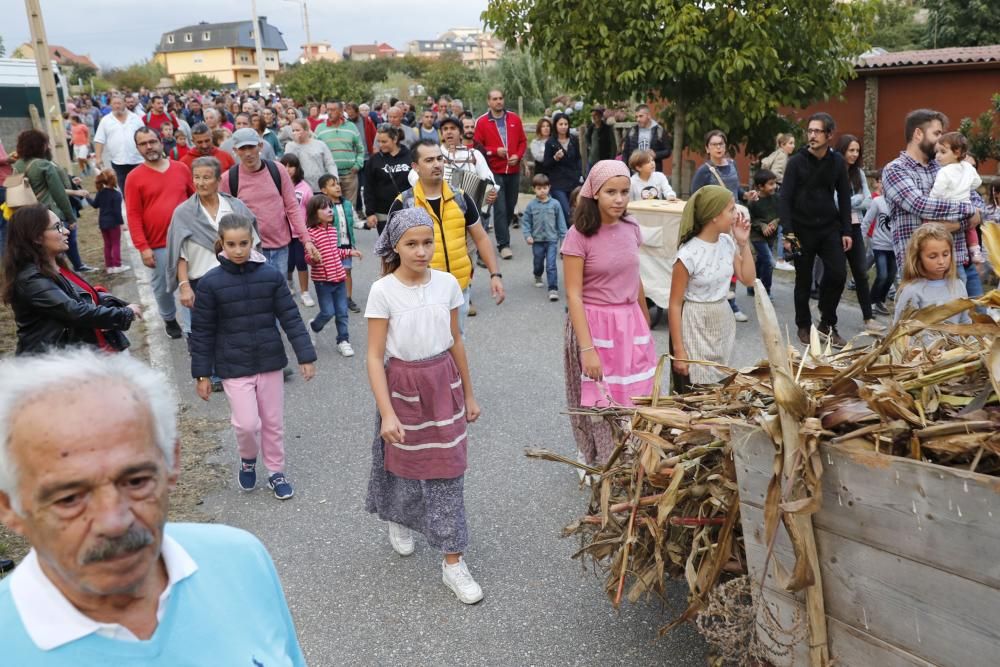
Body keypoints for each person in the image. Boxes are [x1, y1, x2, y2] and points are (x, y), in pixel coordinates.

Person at [0, 348, 308, 664]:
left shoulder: (240, 559)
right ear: (9, 507)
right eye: (69, 498)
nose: (114, 521)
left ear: (171, 464)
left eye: (135, 481)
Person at [364, 207, 484, 605]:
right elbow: (374, 355)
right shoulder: (383, 291)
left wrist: (468, 393)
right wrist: (387, 413)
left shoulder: (448, 283)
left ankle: (453, 562)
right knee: (403, 463)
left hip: (443, 381)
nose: (421, 250)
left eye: (427, 242)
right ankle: (399, 517)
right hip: (403, 385)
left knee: (448, 470)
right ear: (395, 247)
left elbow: (456, 340)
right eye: (411, 243)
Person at [190, 214, 316, 501]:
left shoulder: (270, 275)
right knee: (247, 424)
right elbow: (203, 331)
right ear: (221, 244)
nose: (238, 250)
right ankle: (248, 459)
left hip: (269, 361)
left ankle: (276, 472)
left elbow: (290, 317)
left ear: (253, 241)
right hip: (233, 366)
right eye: (231, 244)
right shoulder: (210, 283)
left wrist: (305, 355)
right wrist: (202, 374)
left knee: (272, 422)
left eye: (243, 243)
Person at [562, 160, 657, 467]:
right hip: (593, 324)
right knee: (599, 404)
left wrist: (645, 324)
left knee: (633, 397)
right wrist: (587, 349)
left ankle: (629, 461)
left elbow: (635, 278)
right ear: (594, 193)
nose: (619, 199)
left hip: (629, 323)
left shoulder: (631, 228)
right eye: (611, 192)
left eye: (625, 192)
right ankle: (599, 461)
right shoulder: (578, 235)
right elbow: (574, 294)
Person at [387, 140, 505, 334]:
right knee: (427, 347)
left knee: (456, 341)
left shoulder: (461, 198)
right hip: (420, 291)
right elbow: (389, 249)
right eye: (429, 160)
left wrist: (495, 275)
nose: (437, 164)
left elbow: (481, 238)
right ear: (415, 167)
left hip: (458, 288)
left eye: (440, 159)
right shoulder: (405, 203)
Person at [0, 205, 140, 355]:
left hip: (72, 354)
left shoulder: (55, 265)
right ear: (36, 237)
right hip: (50, 364)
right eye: (57, 227)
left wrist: (119, 305)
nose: (66, 231)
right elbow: (74, 311)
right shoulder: (31, 279)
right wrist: (123, 314)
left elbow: (82, 295)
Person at [883, 109, 982, 299]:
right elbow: (921, 205)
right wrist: (967, 215)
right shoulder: (895, 170)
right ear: (918, 134)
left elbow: (977, 202)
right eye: (937, 134)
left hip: (956, 264)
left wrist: (971, 214)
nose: (941, 142)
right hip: (918, 270)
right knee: (922, 328)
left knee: (963, 326)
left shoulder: (947, 166)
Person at [778, 113, 853, 347]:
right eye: (809, 131)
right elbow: (785, 199)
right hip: (801, 229)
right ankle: (803, 324)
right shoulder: (796, 162)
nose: (812, 135)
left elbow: (844, 197)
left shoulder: (838, 162)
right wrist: (788, 233)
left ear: (829, 135)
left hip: (829, 227)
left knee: (838, 274)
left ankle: (828, 323)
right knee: (804, 279)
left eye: (817, 131)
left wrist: (847, 231)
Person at [669, 185, 755, 386]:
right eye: (731, 209)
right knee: (698, 387)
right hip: (695, 323)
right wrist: (679, 351)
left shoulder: (727, 242)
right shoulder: (688, 255)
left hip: (722, 318)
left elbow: (748, 279)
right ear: (714, 215)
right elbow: (674, 304)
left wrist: (744, 243)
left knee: (721, 384)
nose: (736, 214)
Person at [167, 156, 260, 334]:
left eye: (206, 178)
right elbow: (180, 254)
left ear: (218, 180)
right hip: (201, 285)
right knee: (205, 334)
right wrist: (184, 287)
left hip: (237, 280)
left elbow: (252, 245)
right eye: (197, 177)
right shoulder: (183, 213)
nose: (200, 183)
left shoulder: (235, 207)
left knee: (239, 331)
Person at [125, 127, 195, 339]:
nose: (149, 146)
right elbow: (133, 215)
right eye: (144, 143)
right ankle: (169, 318)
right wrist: (143, 247)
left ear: (161, 142)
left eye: (152, 141)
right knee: (163, 287)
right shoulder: (133, 178)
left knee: (190, 282)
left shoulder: (181, 168)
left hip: (188, 239)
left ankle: (193, 328)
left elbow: (196, 200)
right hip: (157, 243)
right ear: (138, 148)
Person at [220, 127, 316, 277]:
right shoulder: (229, 178)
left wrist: (306, 240)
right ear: (235, 150)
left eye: (251, 147)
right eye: (242, 148)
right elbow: (224, 217)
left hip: (280, 248)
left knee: (278, 293)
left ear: (260, 146)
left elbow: (292, 207)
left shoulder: (277, 170)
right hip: (248, 252)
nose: (247, 153)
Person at [690, 129, 758, 323]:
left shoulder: (733, 164)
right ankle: (721, 301)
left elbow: (735, 190)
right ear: (707, 148)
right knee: (720, 262)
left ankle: (731, 302)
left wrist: (746, 195)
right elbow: (696, 197)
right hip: (715, 224)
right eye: (714, 144)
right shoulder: (704, 171)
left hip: (734, 220)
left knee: (735, 259)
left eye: (721, 144)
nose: (718, 148)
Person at [12, 130, 93, 273]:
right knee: (58, 251)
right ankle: (69, 274)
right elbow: (59, 194)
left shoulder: (16, 166)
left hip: (26, 219)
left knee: (38, 254)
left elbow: (11, 191)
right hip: (48, 215)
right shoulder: (44, 165)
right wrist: (70, 217)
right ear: (40, 145)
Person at [303, 193, 362, 355]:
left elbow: (335, 252)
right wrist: (314, 258)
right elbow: (308, 257)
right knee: (328, 312)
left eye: (330, 207)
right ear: (314, 213)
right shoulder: (310, 234)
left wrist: (351, 252)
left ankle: (343, 340)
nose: (330, 210)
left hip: (339, 278)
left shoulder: (333, 230)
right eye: (324, 208)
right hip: (323, 281)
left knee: (342, 312)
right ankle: (313, 326)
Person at [834, 134, 882, 333]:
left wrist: (849, 201)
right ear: (842, 150)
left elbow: (869, 200)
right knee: (837, 274)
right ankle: (827, 314)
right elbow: (835, 201)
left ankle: (868, 318)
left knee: (861, 273)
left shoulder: (858, 173)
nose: (854, 154)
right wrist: (854, 200)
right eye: (850, 150)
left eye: (857, 151)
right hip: (835, 228)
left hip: (854, 227)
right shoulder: (832, 171)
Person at [474, 89, 527, 260]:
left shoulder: (514, 119)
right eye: (494, 99)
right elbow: (477, 147)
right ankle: (503, 244)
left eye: (501, 98)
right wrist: (494, 151)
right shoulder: (481, 122)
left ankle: (503, 235)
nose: (498, 102)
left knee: (510, 206)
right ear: (488, 102)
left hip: (513, 169)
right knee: (500, 208)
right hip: (493, 170)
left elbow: (522, 141)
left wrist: (517, 156)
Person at [894, 223, 971, 325]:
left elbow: (965, 322)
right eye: (933, 256)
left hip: (955, 341)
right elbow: (899, 329)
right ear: (918, 258)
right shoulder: (912, 291)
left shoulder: (958, 285)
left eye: (945, 254)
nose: (941, 261)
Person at [930, 132, 983, 272]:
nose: (937, 156)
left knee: (931, 228)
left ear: (957, 152)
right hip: (966, 207)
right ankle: (975, 251)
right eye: (937, 152)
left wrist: (931, 202)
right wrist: (965, 186)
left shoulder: (944, 172)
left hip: (947, 208)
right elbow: (978, 182)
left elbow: (937, 192)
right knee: (970, 228)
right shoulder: (968, 168)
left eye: (942, 152)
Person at [318, 174, 360, 313]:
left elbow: (355, 221)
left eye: (338, 184)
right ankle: (332, 299)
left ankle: (347, 298)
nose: (337, 187)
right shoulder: (323, 207)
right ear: (324, 190)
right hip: (331, 246)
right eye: (332, 185)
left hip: (346, 245)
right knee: (331, 273)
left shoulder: (347, 204)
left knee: (347, 271)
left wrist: (366, 224)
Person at [521, 173, 567, 301]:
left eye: (545, 188)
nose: (542, 191)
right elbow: (526, 222)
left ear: (549, 187)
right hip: (537, 240)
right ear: (534, 189)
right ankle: (537, 274)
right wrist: (527, 235)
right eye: (539, 188)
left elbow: (561, 223)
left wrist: (564, 241)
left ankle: (553, 288)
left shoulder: (555, 204)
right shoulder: (531, 206)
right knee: (538, 261)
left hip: (552, 240)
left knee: (551, 264)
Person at [279, 153, 316, 307]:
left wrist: (310, 230)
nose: (288, 169)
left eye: (291, 166)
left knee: (301, 262)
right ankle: (289, 283)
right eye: (285, 165)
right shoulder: (277, 184)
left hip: (299, 232)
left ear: (297, 167)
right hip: (282, 231)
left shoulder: (304, 187)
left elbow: (311, 209)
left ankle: (305, 292)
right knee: (287, 263)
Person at [315, 101, 363, 210]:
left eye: (333, 110)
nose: (330, 113)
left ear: (341, 111)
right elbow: (316, 151)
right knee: (331, 210)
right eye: (328, 110)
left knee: (350, 209)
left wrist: (357, 165)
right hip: (329, 177)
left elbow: (360, 149)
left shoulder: (351, 127)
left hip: (349, 175)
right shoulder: (320, 129)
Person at [94, 94, 146, 197]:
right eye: (114, 103)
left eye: (119, 103)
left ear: (124, 104)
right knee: (126, 189)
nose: (117, 106)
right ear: (110, 105)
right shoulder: (106, 121)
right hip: (118, 162)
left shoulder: (135, 118)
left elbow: (144, 135)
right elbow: (99, 140)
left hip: (137, 160)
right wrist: (98, 157)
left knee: (142, 187)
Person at [364, 125, 412, 234]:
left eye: (384, 142)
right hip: (383, 213)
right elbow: (369, 188)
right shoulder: (374, 160)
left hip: (408, 210)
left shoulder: (410, 156)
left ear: (395, 139)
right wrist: (370, 213)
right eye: (378, 142)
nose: (380, 145)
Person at [85, 169, 129, 275]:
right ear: (114, 179)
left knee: (107, 244)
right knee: (115, 244)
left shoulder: (101, 193)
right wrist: (122, 223)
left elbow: (95, 205)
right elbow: (117, 212)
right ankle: (117, 265)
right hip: (113, 223)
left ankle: (109, 267)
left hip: (103, 223)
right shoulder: (117, 194)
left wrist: (87, 197)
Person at [542, 112, 584, 224]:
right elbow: (546, 165)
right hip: (558, 183)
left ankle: (575, 238)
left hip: (574, 181)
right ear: (555, 125)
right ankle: (568, 237)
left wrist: (580, 174)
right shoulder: (550, 143)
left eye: (566, 124)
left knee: (576, 210)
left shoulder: (574, 139)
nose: (564, 127)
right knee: (566, 212)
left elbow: (578, 159)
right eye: (561, 124)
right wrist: (555, 158)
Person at [864, 169, 895, 317]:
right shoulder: (877, 202)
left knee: (891, 276)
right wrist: (861, 238)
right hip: (879, 245)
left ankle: (880, 301)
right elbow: (867, 221)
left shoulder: (899, 203)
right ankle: (870, 303)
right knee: (882, 275)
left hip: (894, 247)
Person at [747, 169, 779, 296]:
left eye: (774, 183)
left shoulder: (777, 198)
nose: (774, 186)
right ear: (760, 186)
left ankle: (752, 286)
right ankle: (765, 291)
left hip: (771, 237)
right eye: (771, 184)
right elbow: (750, 219)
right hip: (757, 237)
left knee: (761, 262)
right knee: (769, 262)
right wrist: (762, 225)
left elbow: (782, 214)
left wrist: (776, 221)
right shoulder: (753, 201)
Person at [282, 118, 337, 192]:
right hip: (300, 188)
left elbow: (330, 163)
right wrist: (296, 143)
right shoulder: (290, 146)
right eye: (293, 130)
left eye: (298, 130)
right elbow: (289, 163)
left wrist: (335, 179)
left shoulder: (320, 144)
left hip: (320, 187)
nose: (295, 133)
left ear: (306, 130)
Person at [620, 104, 671, 173]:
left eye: (641, 116)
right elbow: (625, 152)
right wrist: (624, 169)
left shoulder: (659, 130)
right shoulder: (632, 131)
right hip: (634, 172)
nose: (638, 119)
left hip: (653, 172)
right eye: (636, 117)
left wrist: (656, 155)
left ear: (648, 116)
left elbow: (667, 151)